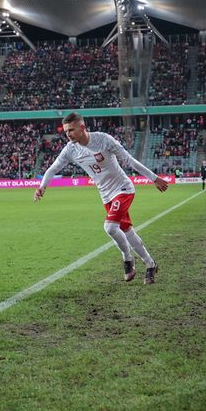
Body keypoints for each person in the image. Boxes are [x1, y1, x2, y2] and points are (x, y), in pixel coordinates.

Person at [34, 112, 169, 285]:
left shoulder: (104, 140)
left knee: (110, 227)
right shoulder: (70, 149)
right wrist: (42, 186)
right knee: (126, 229)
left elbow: (129, 160)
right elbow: (53, 169)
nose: (68, 134)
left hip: (123, 189)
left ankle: (127, 259)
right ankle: (150, 264)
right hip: (105, 194)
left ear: (82, 127)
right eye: (66, 131)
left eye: (71, 130)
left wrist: (154, 178)